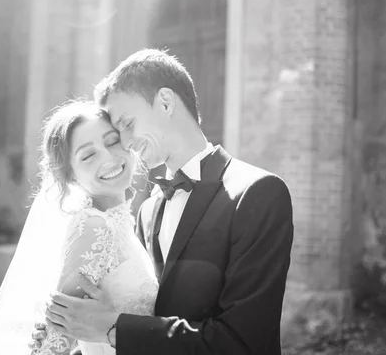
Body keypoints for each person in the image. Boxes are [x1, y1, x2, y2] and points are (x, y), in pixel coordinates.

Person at [37, 49, 294, 355]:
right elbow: (150, 321)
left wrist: (113, 327)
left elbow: (243, 343)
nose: (127, 143)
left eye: (127, 124)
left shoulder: (257, 193)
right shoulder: (149, 210)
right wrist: (86, 336)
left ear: (166, 102)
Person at [0, 100, 159, 355]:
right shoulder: (94, 226)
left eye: (111, 141)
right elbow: (57, 338)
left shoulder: (123, 224)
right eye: (88, 155)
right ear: (71, 174)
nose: (108, 157)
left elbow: (80, 335)